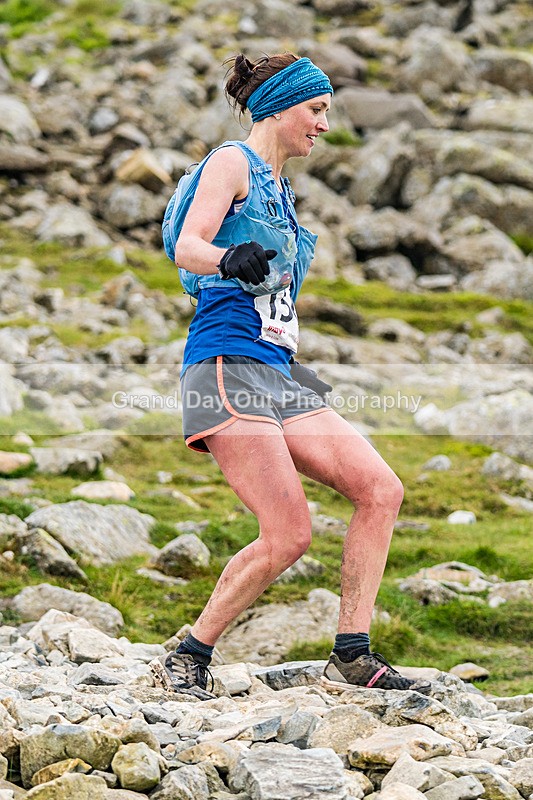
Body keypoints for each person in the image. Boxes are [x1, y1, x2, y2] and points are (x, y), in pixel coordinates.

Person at [150, 53, 431, 699]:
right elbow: (187, 246)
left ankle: (352, 654)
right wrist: (228, 257)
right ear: (279, 107)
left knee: (380, 489)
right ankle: (189, 655)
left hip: (280, 371)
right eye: (316, 110)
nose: (324, 125)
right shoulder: (231, 163)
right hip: (226, 363)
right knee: (288, 534)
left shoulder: (281, 188)